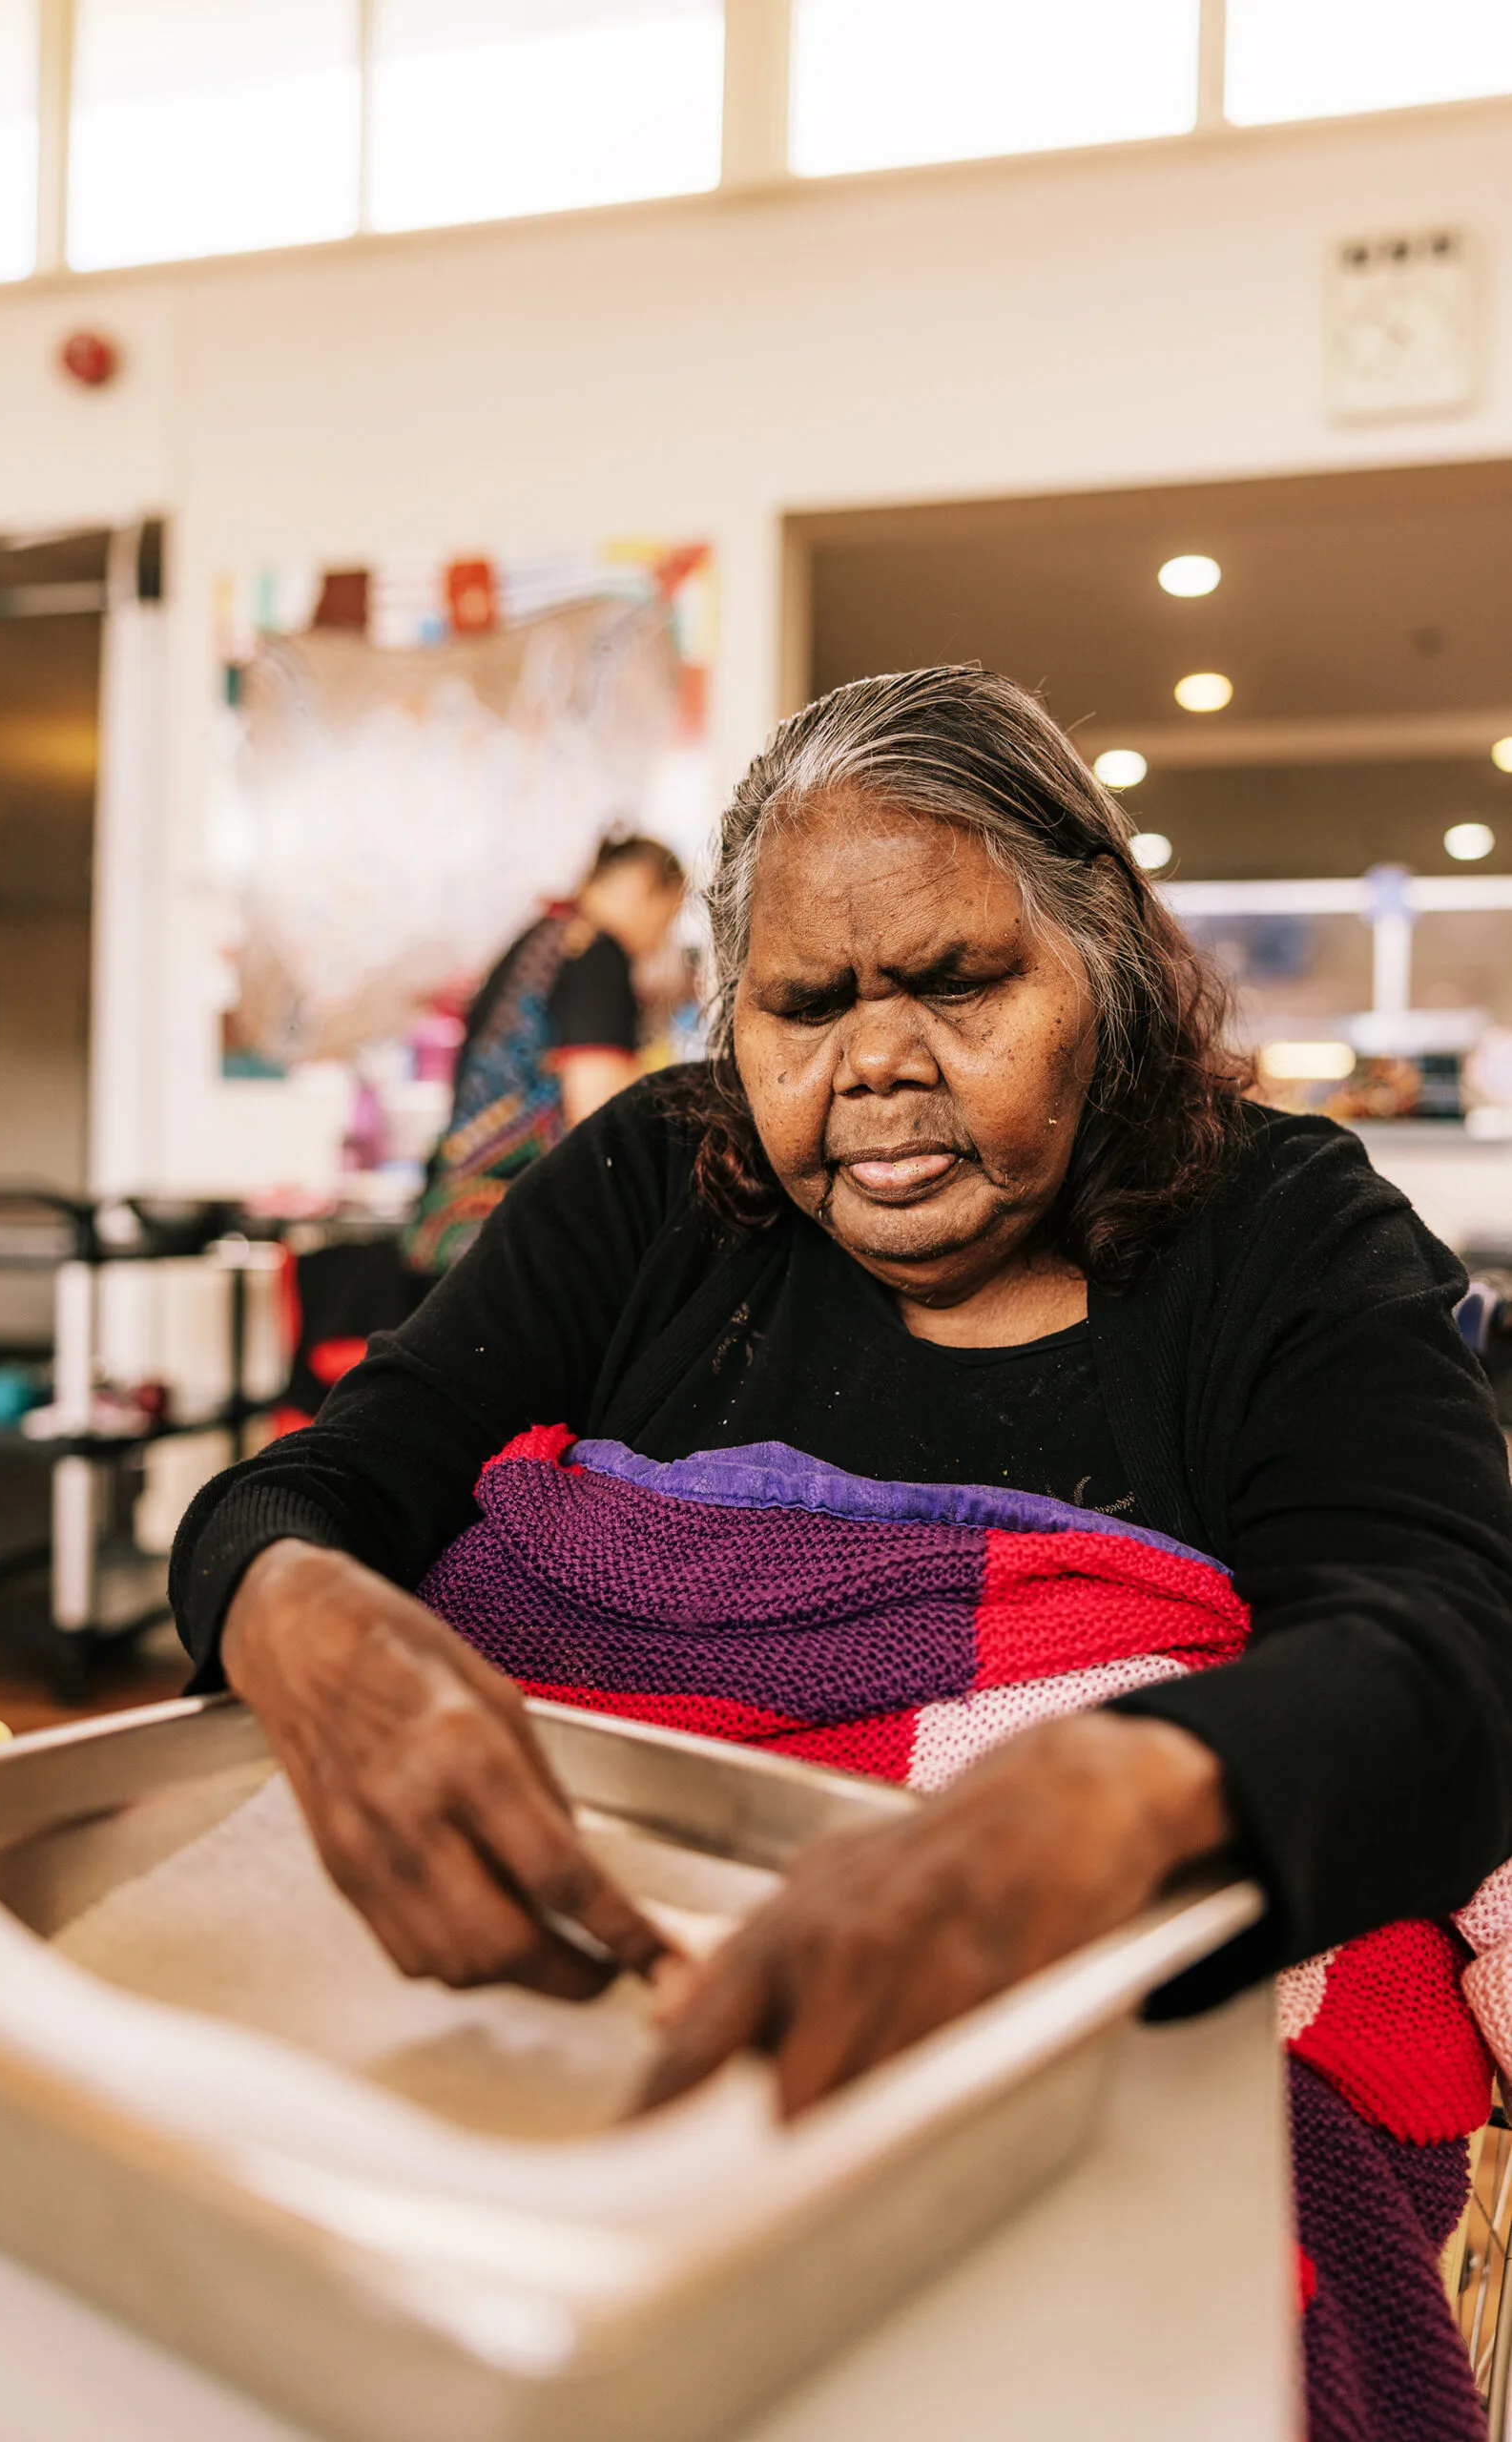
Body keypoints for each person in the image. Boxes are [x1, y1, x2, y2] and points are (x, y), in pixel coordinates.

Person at [174, 669, 1512, 2440]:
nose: (873, 1065)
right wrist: (307, 1619)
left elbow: (1441, 1653)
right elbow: (310, 1495)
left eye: (957, 983)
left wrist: (1111, 1798)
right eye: (800, 1005)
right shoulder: (660, 1181)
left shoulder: (1285, 1234)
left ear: (1100, 960)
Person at [403, 832, 686, 1274]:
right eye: (667, 917)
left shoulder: (544, 936)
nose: (658, 941)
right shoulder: (597, 953)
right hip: (512, 1237)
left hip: (455, 1223)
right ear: (644, 887)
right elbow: (601, 1118)